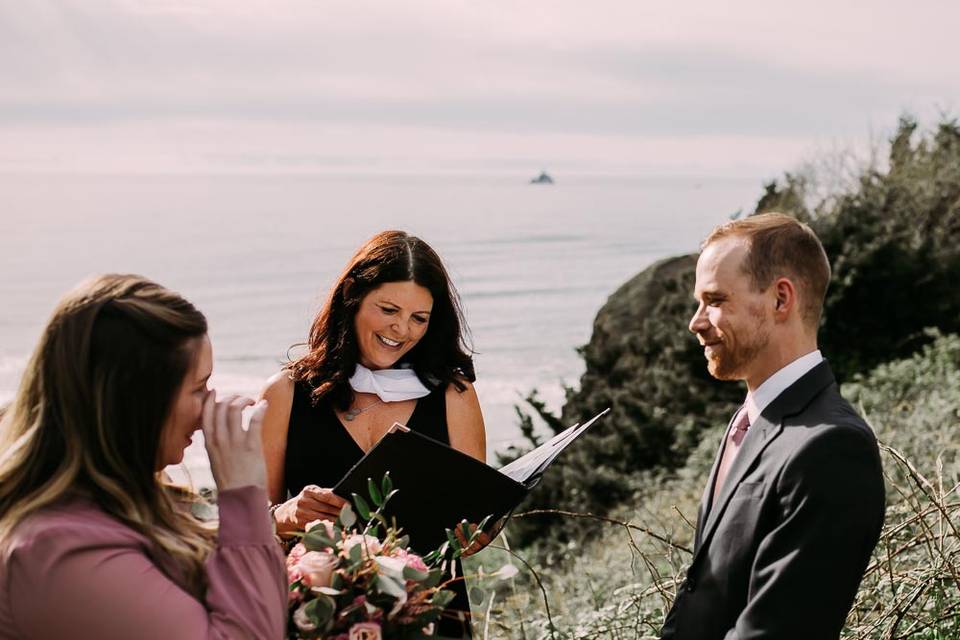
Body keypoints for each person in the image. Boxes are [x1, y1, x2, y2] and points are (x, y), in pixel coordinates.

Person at [0, 275, 286, 639]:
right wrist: (244, 492)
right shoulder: (59, 552)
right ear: (137, 407)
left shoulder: (136, 502)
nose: (208, 408)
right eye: (199, 389)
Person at [661, 213, 885, 639]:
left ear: (781, 299)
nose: (696, 321)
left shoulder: (832, 448)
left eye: (715, 300)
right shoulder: (749, 420)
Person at [260, 230, 485, 636]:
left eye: (419, 318)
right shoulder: (285, 395)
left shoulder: (454, 395)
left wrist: (481, 529)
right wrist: (283, 515)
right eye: (388, 309)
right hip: (317, 621)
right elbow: (250, 528)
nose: (401, 330)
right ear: (352, 295)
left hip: (430, 621)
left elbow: (471, 523)